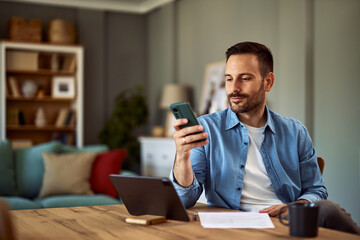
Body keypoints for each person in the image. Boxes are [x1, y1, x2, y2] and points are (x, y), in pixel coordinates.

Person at [170, 41, 360, 234]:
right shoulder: (207, 128)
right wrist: (182, 155)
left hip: (286, 223)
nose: (233, 88)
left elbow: (316, 190)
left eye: (244, 79)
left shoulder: (295, 132)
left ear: (268, 82)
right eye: (228, 79)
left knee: (328, 209)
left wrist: (293, 207)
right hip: (232, 225)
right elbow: (185, 200)